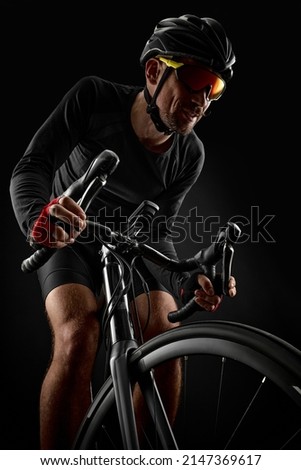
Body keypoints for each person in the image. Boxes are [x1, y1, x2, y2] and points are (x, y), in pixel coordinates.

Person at [10, 13, 237, 449]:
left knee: (166, 343)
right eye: (195, 78)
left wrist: (189, 279)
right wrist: (40, 218)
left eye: (215, 88)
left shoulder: (190, 153)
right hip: (69, 233)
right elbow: (31, 167)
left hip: (130, 244)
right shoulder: (93, 97)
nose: (203, 99)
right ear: (154, 71)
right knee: (78, 333)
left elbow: (157, 229)